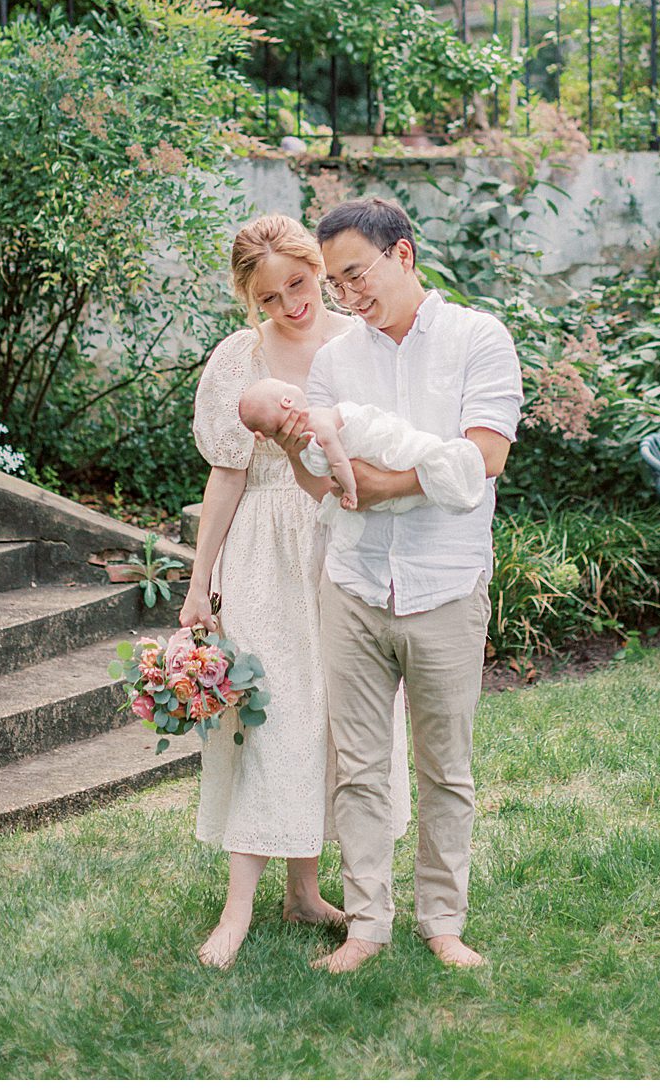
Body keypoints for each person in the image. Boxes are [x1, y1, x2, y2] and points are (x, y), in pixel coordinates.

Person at [282, 196, 523, 974]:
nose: (346, 297)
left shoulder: (478, 339)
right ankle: (367, 926)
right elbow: (323, 477)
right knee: (356, 766)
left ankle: (443, 922)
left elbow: (483, 459)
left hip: (445, 584)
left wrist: (379, 484)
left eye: (356, 276)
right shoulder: (334, 361)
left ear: (404, 256)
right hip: (351, 582)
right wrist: (396, 471)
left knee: (445, 766)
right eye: (337, 282)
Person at [180, 213, 410, 970]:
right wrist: (198, 582)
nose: (291, 306)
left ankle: (305, 892)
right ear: (250, 299)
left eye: (301, 286)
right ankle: (237, 907)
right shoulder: (236, 360)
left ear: (320, 270)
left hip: (342, 547)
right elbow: (226, 474)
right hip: (262, 556)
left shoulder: (359, 345)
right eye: (271, 297)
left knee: (334, 716)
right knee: (269, 717)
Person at [238, 375, 487, 529]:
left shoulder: (317, 425)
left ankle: (441, 470)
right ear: (287, 402)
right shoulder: (315, 426)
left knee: (410, 451)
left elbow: (340, 460)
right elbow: (337, 463)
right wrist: (351, 489)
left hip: (379, 435)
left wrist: (357, 489)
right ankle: (443, 474)